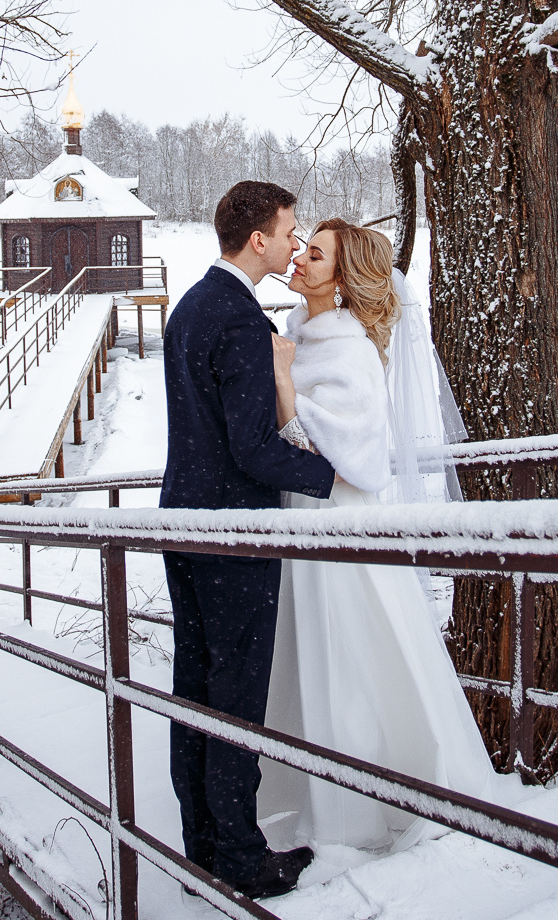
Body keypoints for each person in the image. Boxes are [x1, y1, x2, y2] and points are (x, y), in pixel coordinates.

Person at [259, 218, 497, 855]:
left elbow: (352, 461)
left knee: (349, 654)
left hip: (335, 522)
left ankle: (360, 803)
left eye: (316, 256)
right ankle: (301, 784)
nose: (300, 259)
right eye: (304, 248)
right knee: (303, 652)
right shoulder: (300, 334)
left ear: (342, 279)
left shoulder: (352, 350)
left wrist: (283, 385)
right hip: (295, 516)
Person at [159, 180, 336, 900]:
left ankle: (202, 843)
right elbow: (253, 448)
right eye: (290, 232)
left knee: (197, 685)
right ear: (258, 239)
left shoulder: (191, 305)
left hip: (183, 520)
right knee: (234, 693)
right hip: (232, 532)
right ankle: (238, 856)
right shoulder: (239, 321)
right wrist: (329, 474)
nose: (295, 245)